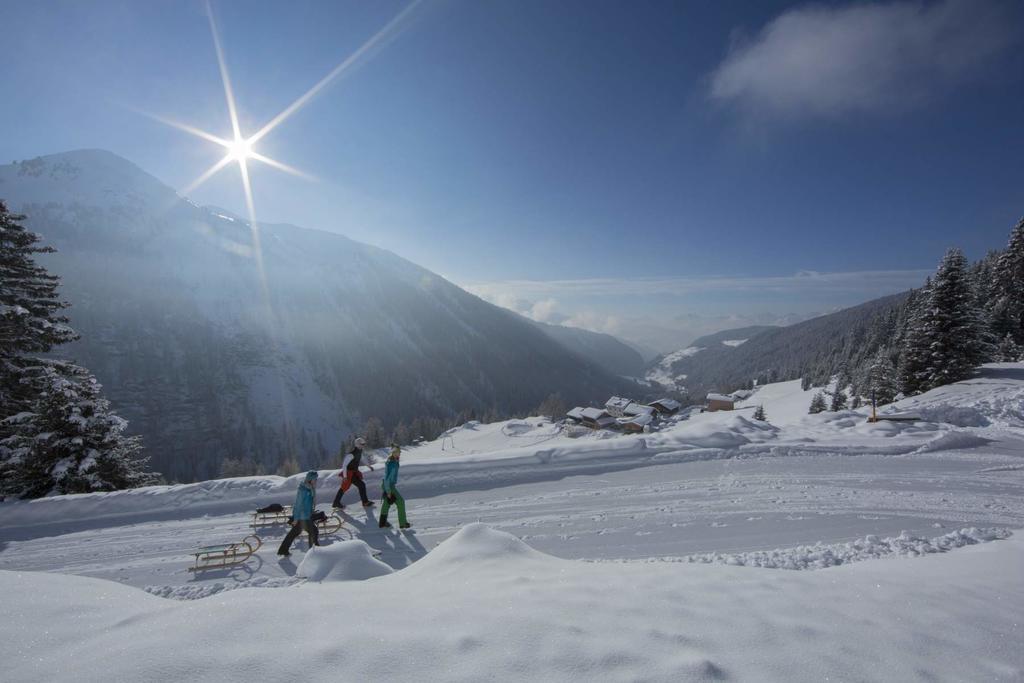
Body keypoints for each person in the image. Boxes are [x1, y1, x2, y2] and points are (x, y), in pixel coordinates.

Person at [278, 470, 320, 557]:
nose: (316, 481)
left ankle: (283, 550)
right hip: (302, 516)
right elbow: (298, 505)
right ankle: (313, 552)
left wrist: (311, 510)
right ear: (310, 479)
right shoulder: (304, 490)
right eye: (315, 479)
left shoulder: (310, 488)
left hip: (305, 515)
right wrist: (295, 518)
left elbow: (308, 503)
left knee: (294, 533)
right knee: (313, 531)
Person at [332, 437, 375, 509]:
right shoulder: (351, 454)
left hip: (353, 473)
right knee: (345, 487)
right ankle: (336, 502)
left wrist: (369, 466)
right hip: (349, 474)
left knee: (360, 485)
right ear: (358, 445)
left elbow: (363, 459)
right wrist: (345, 476)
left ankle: (365, 502)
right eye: (362, 444)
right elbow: (344, 465)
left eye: (364, 444)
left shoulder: (359, 452)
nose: (363, 445)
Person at [378, 443, 411, 529]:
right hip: (388, 485)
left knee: (387, 503)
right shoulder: (392, 464)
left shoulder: (393, 461)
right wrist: (388, 491)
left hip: (386, 485)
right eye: (398, 452)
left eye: (400, 452)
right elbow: (387, 478)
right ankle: (403, 523)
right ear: (394, 452)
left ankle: (382, 522)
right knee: (400, 502)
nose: (399, 453)